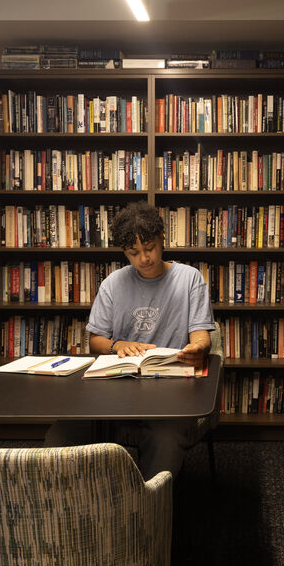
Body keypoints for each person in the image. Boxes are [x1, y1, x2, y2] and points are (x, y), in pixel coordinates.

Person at [46, 201, 215, 479]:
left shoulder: (189, 279)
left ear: (162, 238)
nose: (144, 259)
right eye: (133, 253)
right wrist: (117, 345)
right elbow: (96, 340)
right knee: (62, 435)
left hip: (170, 391)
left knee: (164, 440)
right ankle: (71, 506)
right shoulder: (113, 283)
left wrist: (198, 348)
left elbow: (200, 335)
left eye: (149, 248)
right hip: (118, 390)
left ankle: (149, 508)